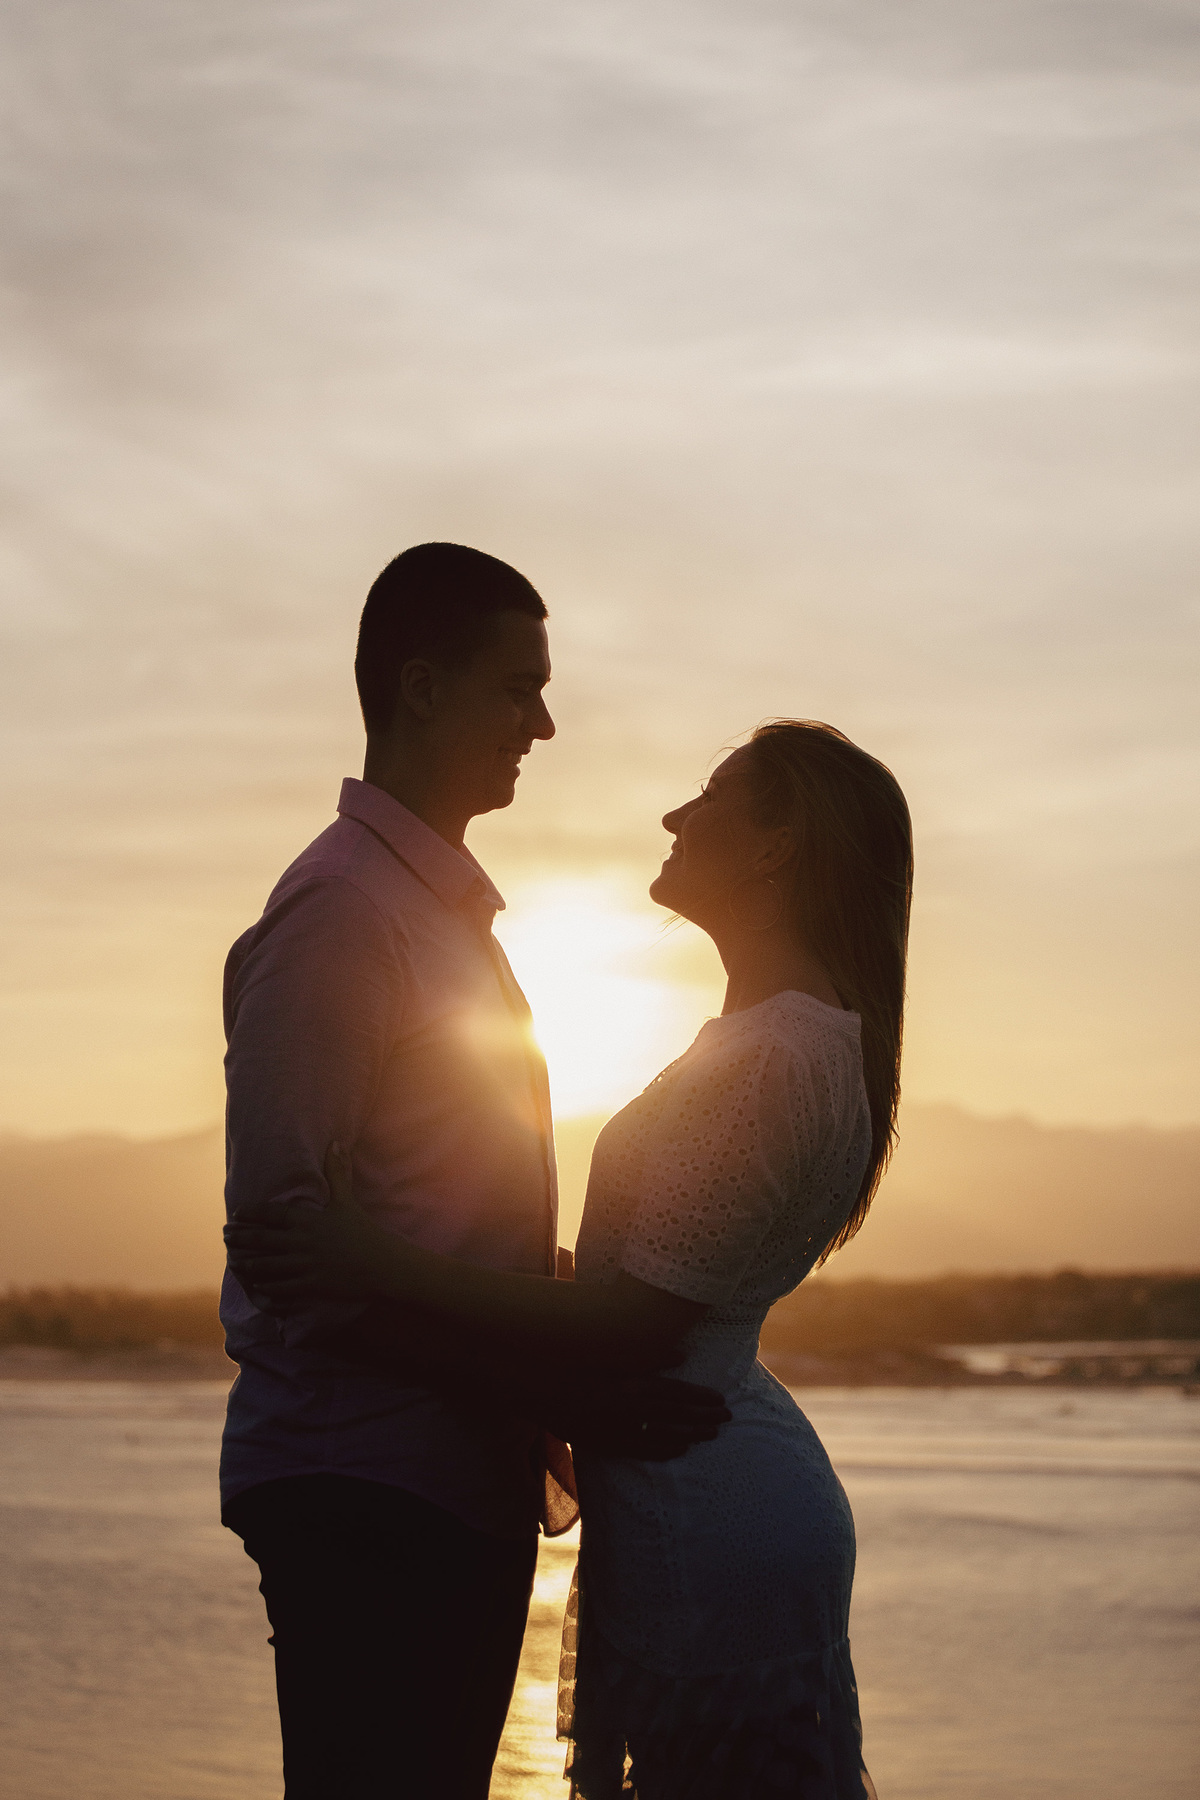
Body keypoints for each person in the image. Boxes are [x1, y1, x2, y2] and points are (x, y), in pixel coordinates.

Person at [228, 716, 913, 1800]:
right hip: (705, 1479)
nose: (676, 815)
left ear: (779, 845)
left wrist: (368, 1259)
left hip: (713, 1514)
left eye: (714, 793)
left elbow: (634, 1325)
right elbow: (643, 1284)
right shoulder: (783, 1040)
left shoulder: (777, 1055)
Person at [219, 541, 729, 1800]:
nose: (543, 723)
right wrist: (554, 1381)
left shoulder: (439, 916)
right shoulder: (344, 916)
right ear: (421, 686)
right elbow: (290, 1252)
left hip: (451, 1480)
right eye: (519, 687)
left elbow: (429, 1223)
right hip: (366, 1484)